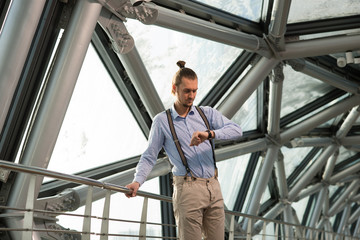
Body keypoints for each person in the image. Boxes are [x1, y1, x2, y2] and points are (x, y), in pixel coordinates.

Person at [125, 60, 242, 239]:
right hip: (188, 190)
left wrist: (209, 134)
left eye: (194, 90)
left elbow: (236, 130)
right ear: (174, 89)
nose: (191, 96)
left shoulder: (206, 113)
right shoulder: (162, 121)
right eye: (187, 91)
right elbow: (149, 156)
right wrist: (137, 181)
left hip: (214, 186)